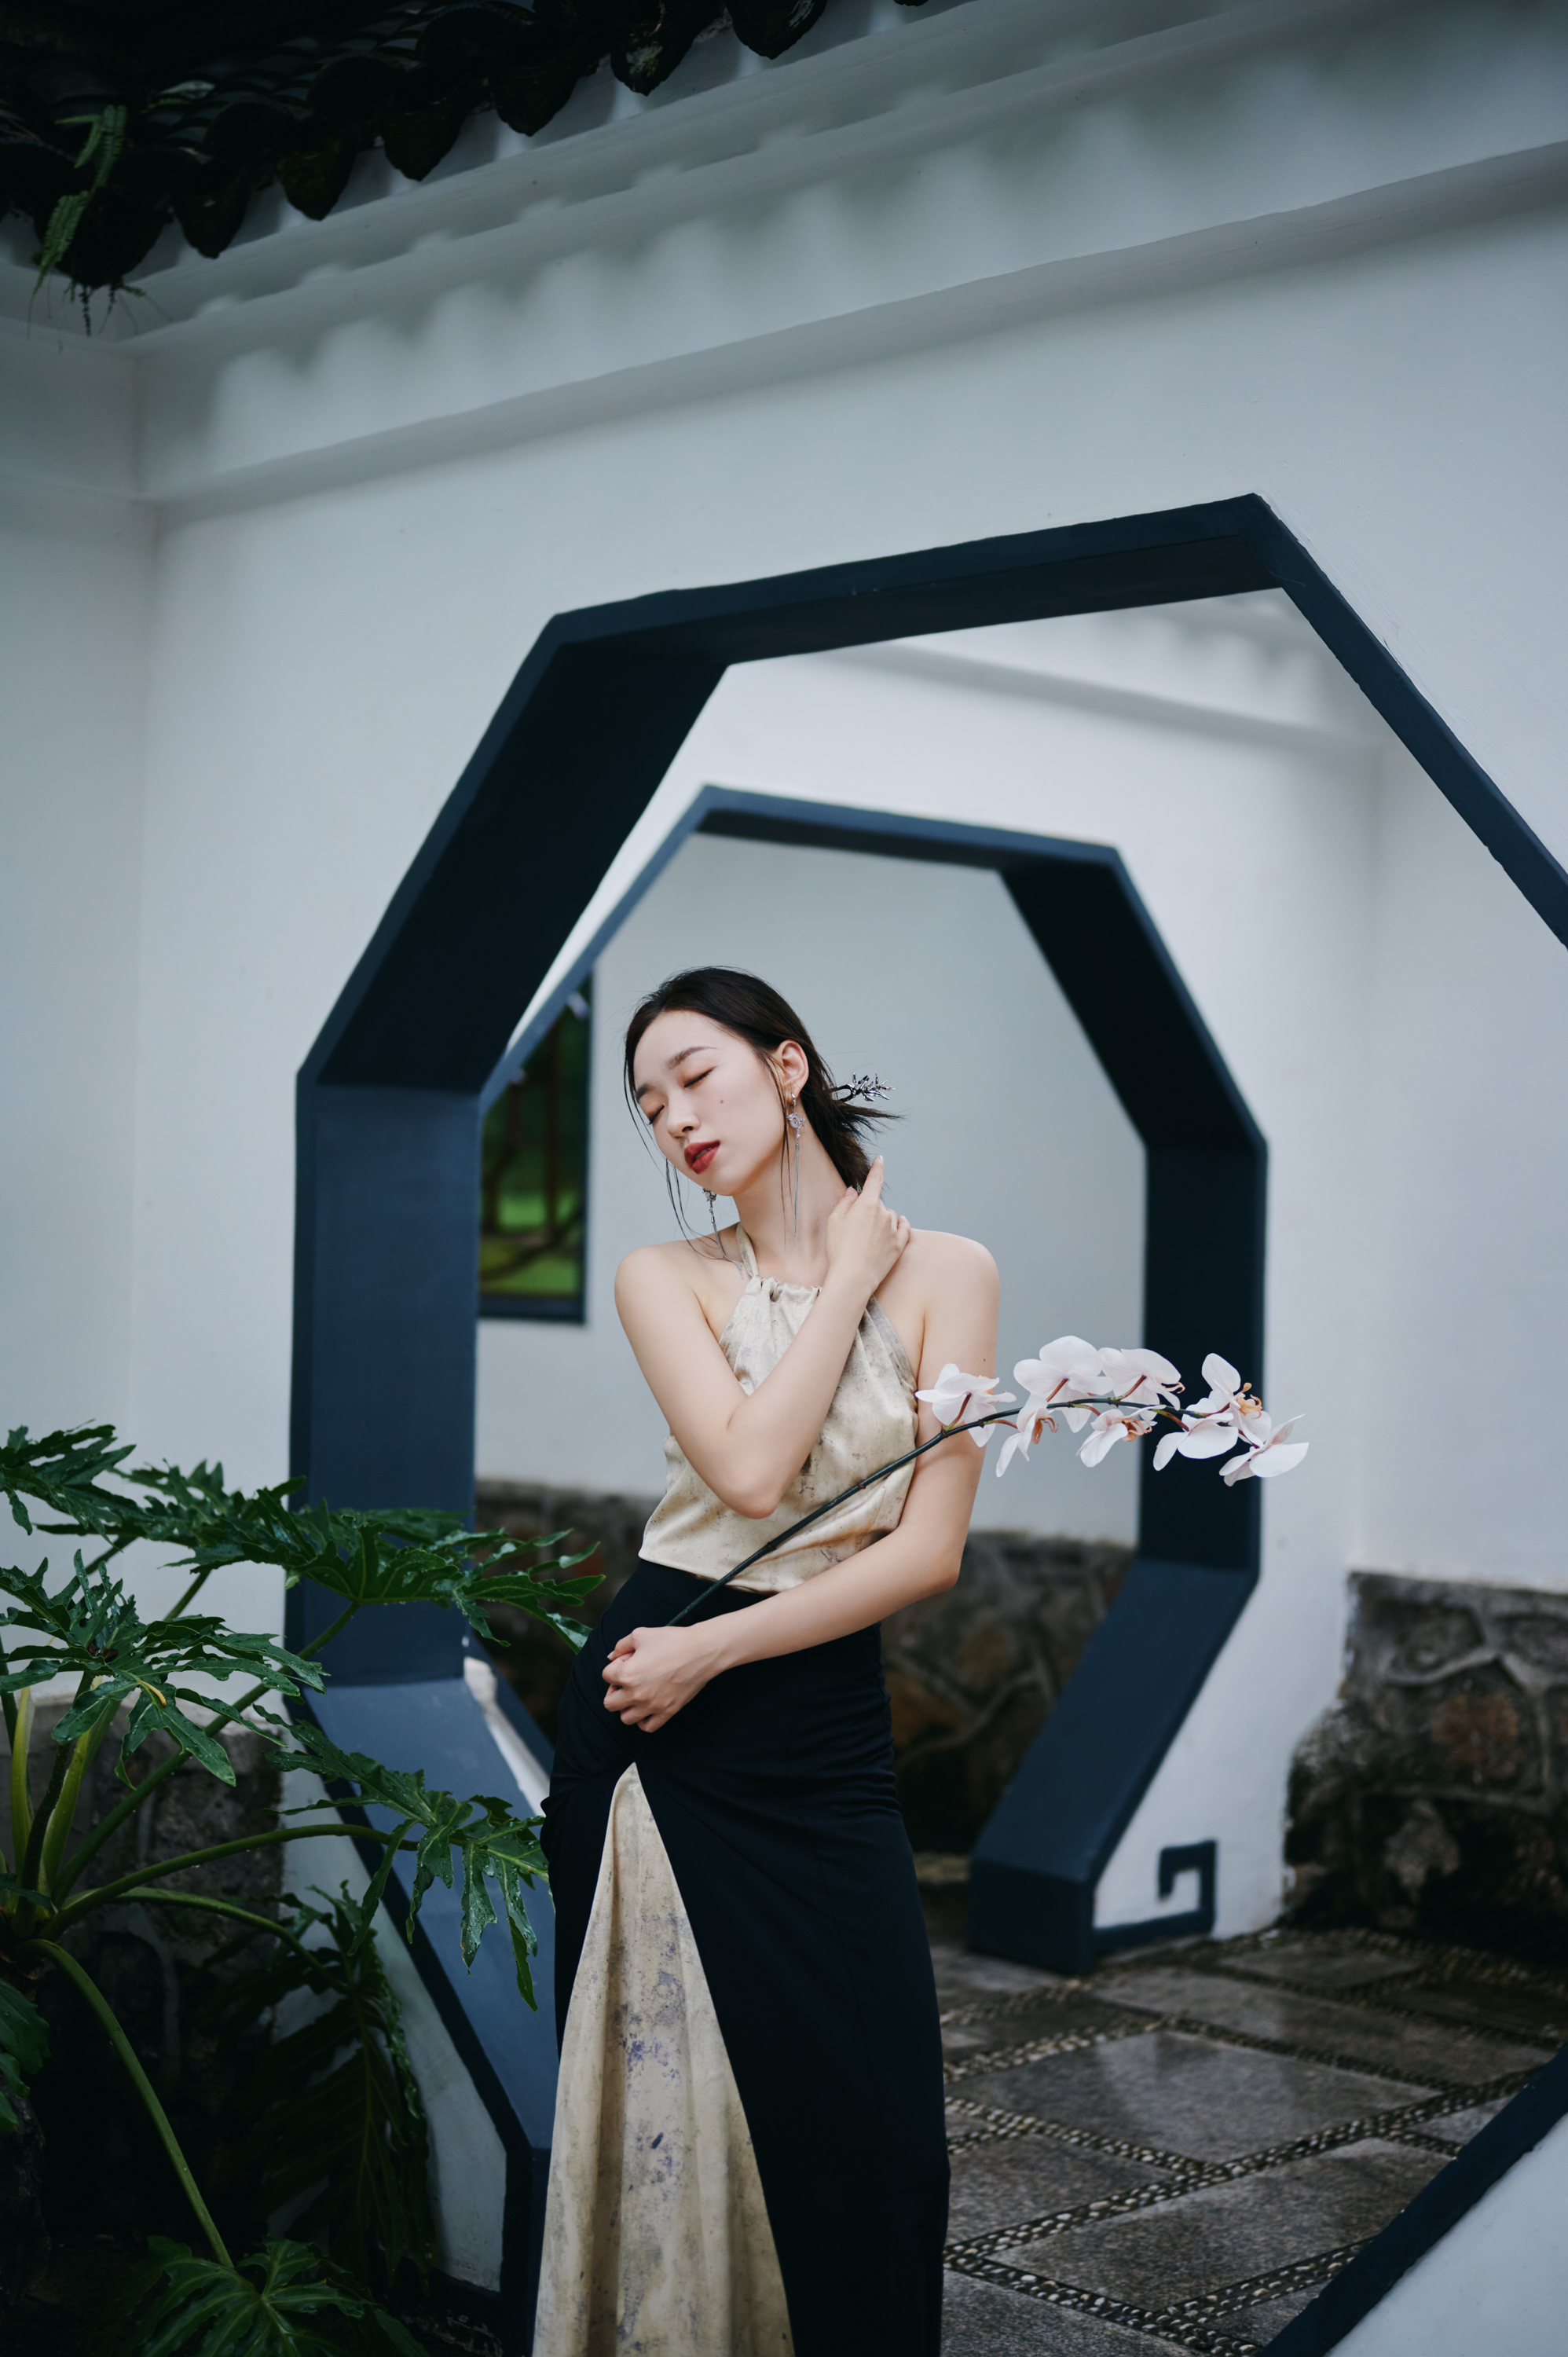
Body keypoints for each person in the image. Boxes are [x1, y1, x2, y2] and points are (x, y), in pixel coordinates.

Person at [534, 967, 999, 2357]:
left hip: (792, 1701)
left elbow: (927, 1554)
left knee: (878, 2114)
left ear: (786, 1068)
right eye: (649, 1104)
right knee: (666, 2094)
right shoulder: (662, 1277)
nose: (675, 1117)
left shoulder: (954, 1273)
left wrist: (717, 1651)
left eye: (697, 1075)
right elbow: (746, 1474)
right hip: (655, 1723)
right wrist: (844, 1279)